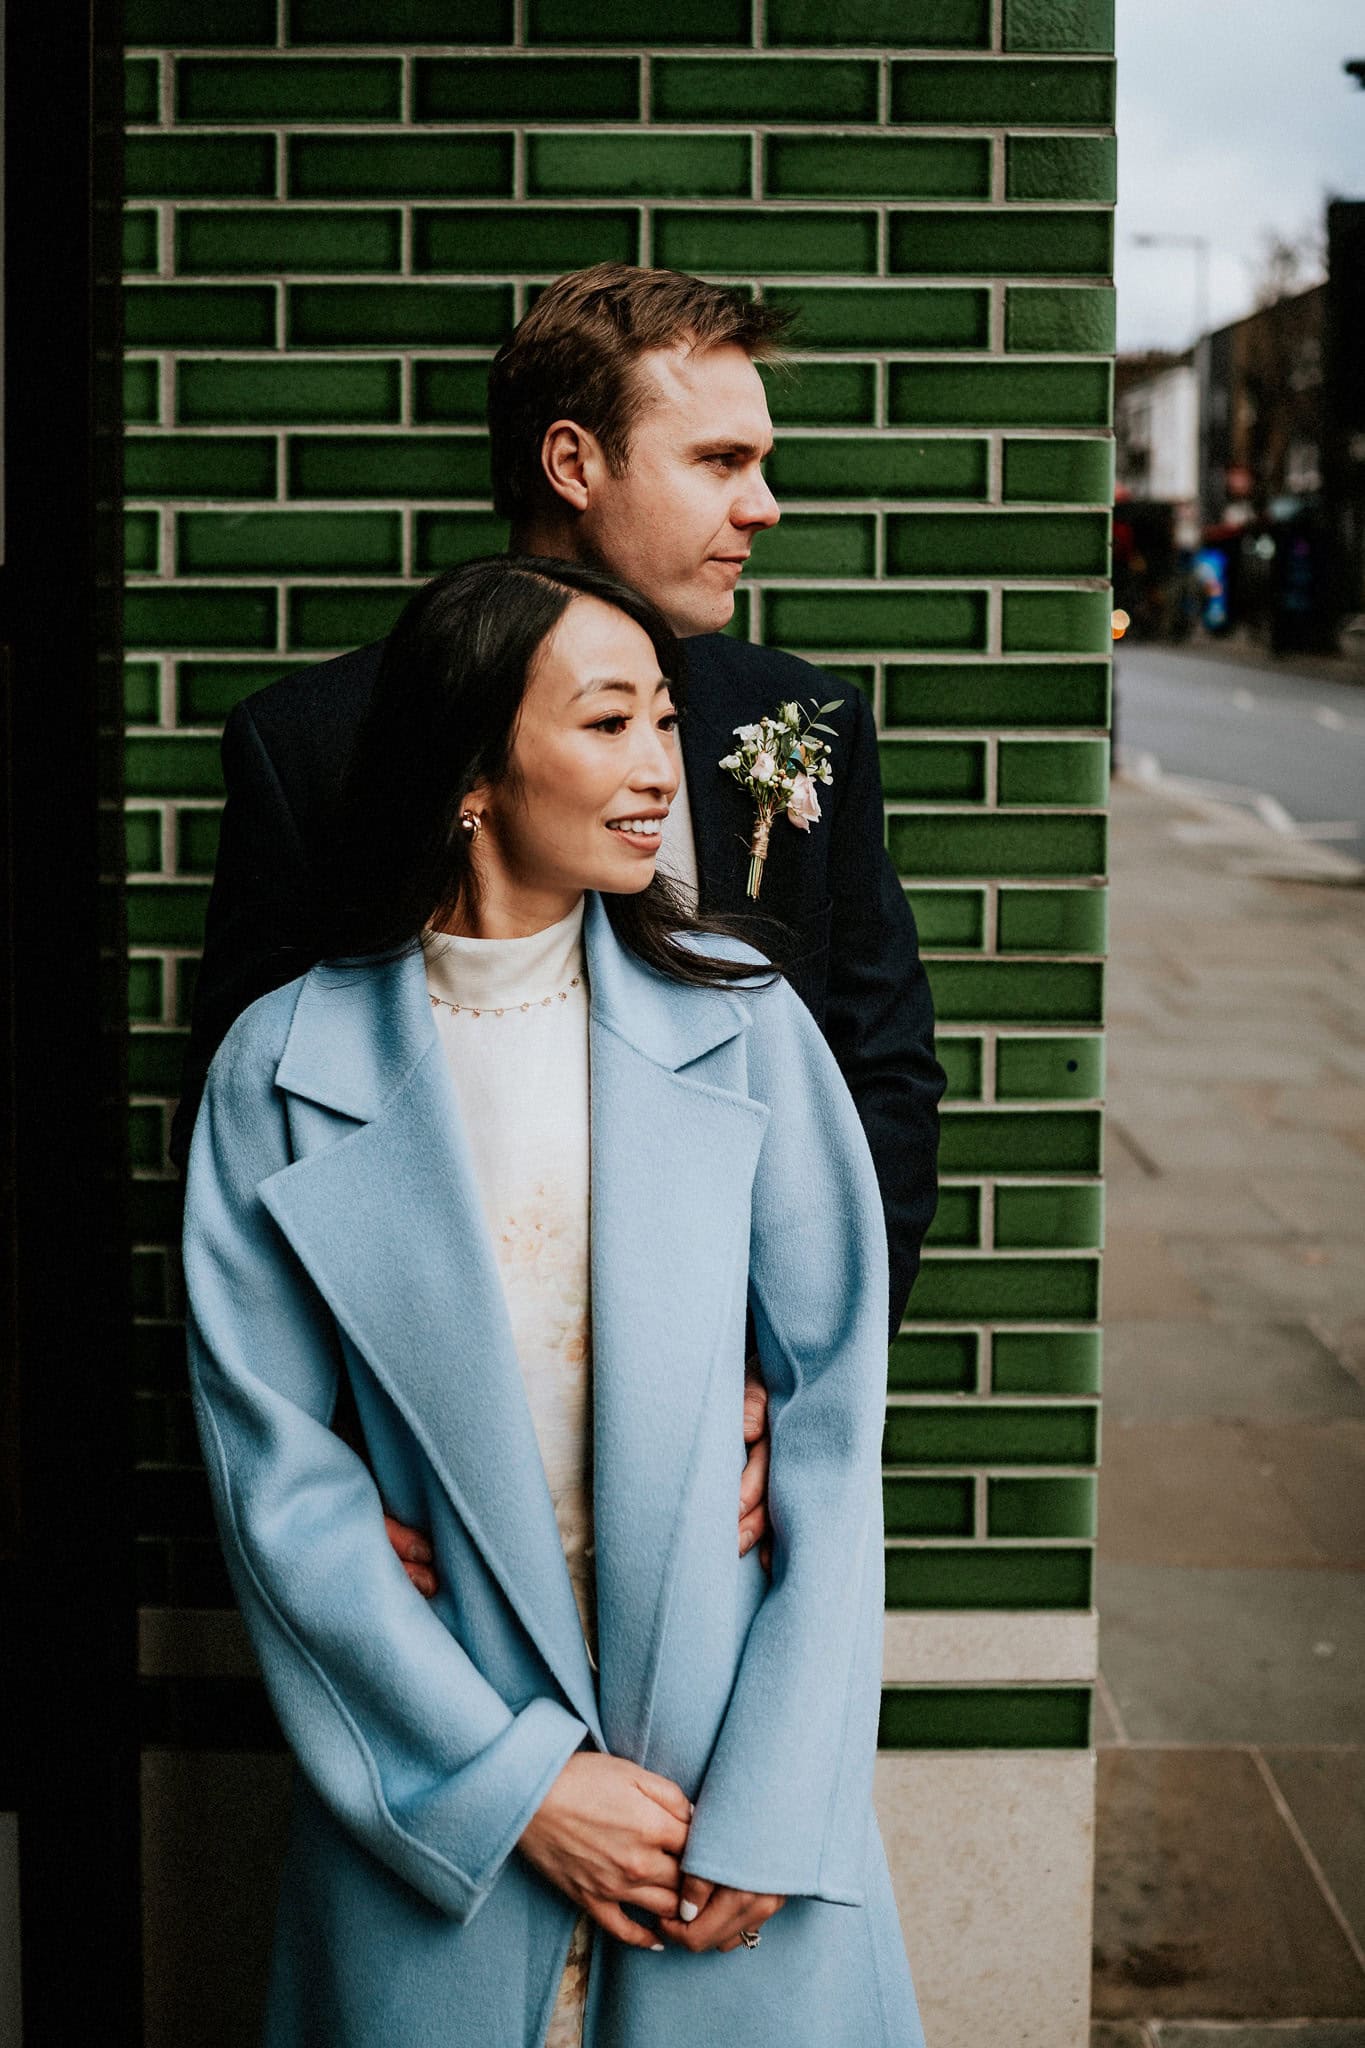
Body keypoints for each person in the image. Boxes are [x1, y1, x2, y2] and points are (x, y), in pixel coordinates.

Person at [183, 554, 926, 2047]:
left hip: (723, 1781)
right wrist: (514, 1786)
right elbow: (281, 1488)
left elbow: (837, 1431)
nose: (658, 768)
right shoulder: (278, 1070)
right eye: (606, 725)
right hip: (437, 1789)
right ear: (470, 768)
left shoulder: (745, 1025)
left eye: (663, 720)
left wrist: (778, 1804)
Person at [174, 261, 944, 1595]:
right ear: (574, 462)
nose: (760, 506)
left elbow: (875, 1071)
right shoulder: (312, 748)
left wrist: (796, 1402)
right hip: (444, 1499)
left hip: (731, 1495)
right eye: (717, 460)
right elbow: (258, 1143)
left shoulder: (802, 720)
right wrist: (339, 1475)